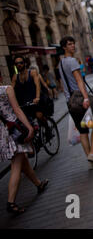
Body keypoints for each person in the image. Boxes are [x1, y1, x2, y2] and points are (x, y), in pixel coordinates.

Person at [0, 70, 49, 214]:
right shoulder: (6, 89)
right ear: (1, 76)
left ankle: (38, 184)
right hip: (15, 129)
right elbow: (17, 110)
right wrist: (29, 127)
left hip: (3, 132)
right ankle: (11, 202)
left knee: (22, 160)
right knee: (16, 164)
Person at [59, 36, 93, 169]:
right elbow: (79, 80)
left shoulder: (60, 63)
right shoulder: (72, 61)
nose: (73, 46)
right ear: (64, 47)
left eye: (73, 43)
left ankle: (91, 161)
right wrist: (85, 98)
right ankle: (92, 153)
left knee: (83, 130)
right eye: (69, 44)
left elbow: (63, 83)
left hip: (70, 102)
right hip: (80, 100)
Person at [11, 56, 50, 134]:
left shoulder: (32, 72)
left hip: (35, 99)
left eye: (21, 63)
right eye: (17, 63)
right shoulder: (15, 77)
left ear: (25, 63)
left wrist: (37, 97)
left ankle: (47, 128)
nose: (19, 65)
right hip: (25, 102)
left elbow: (37, 85)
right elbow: (11, 91)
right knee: (25, 122)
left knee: (39, 115)